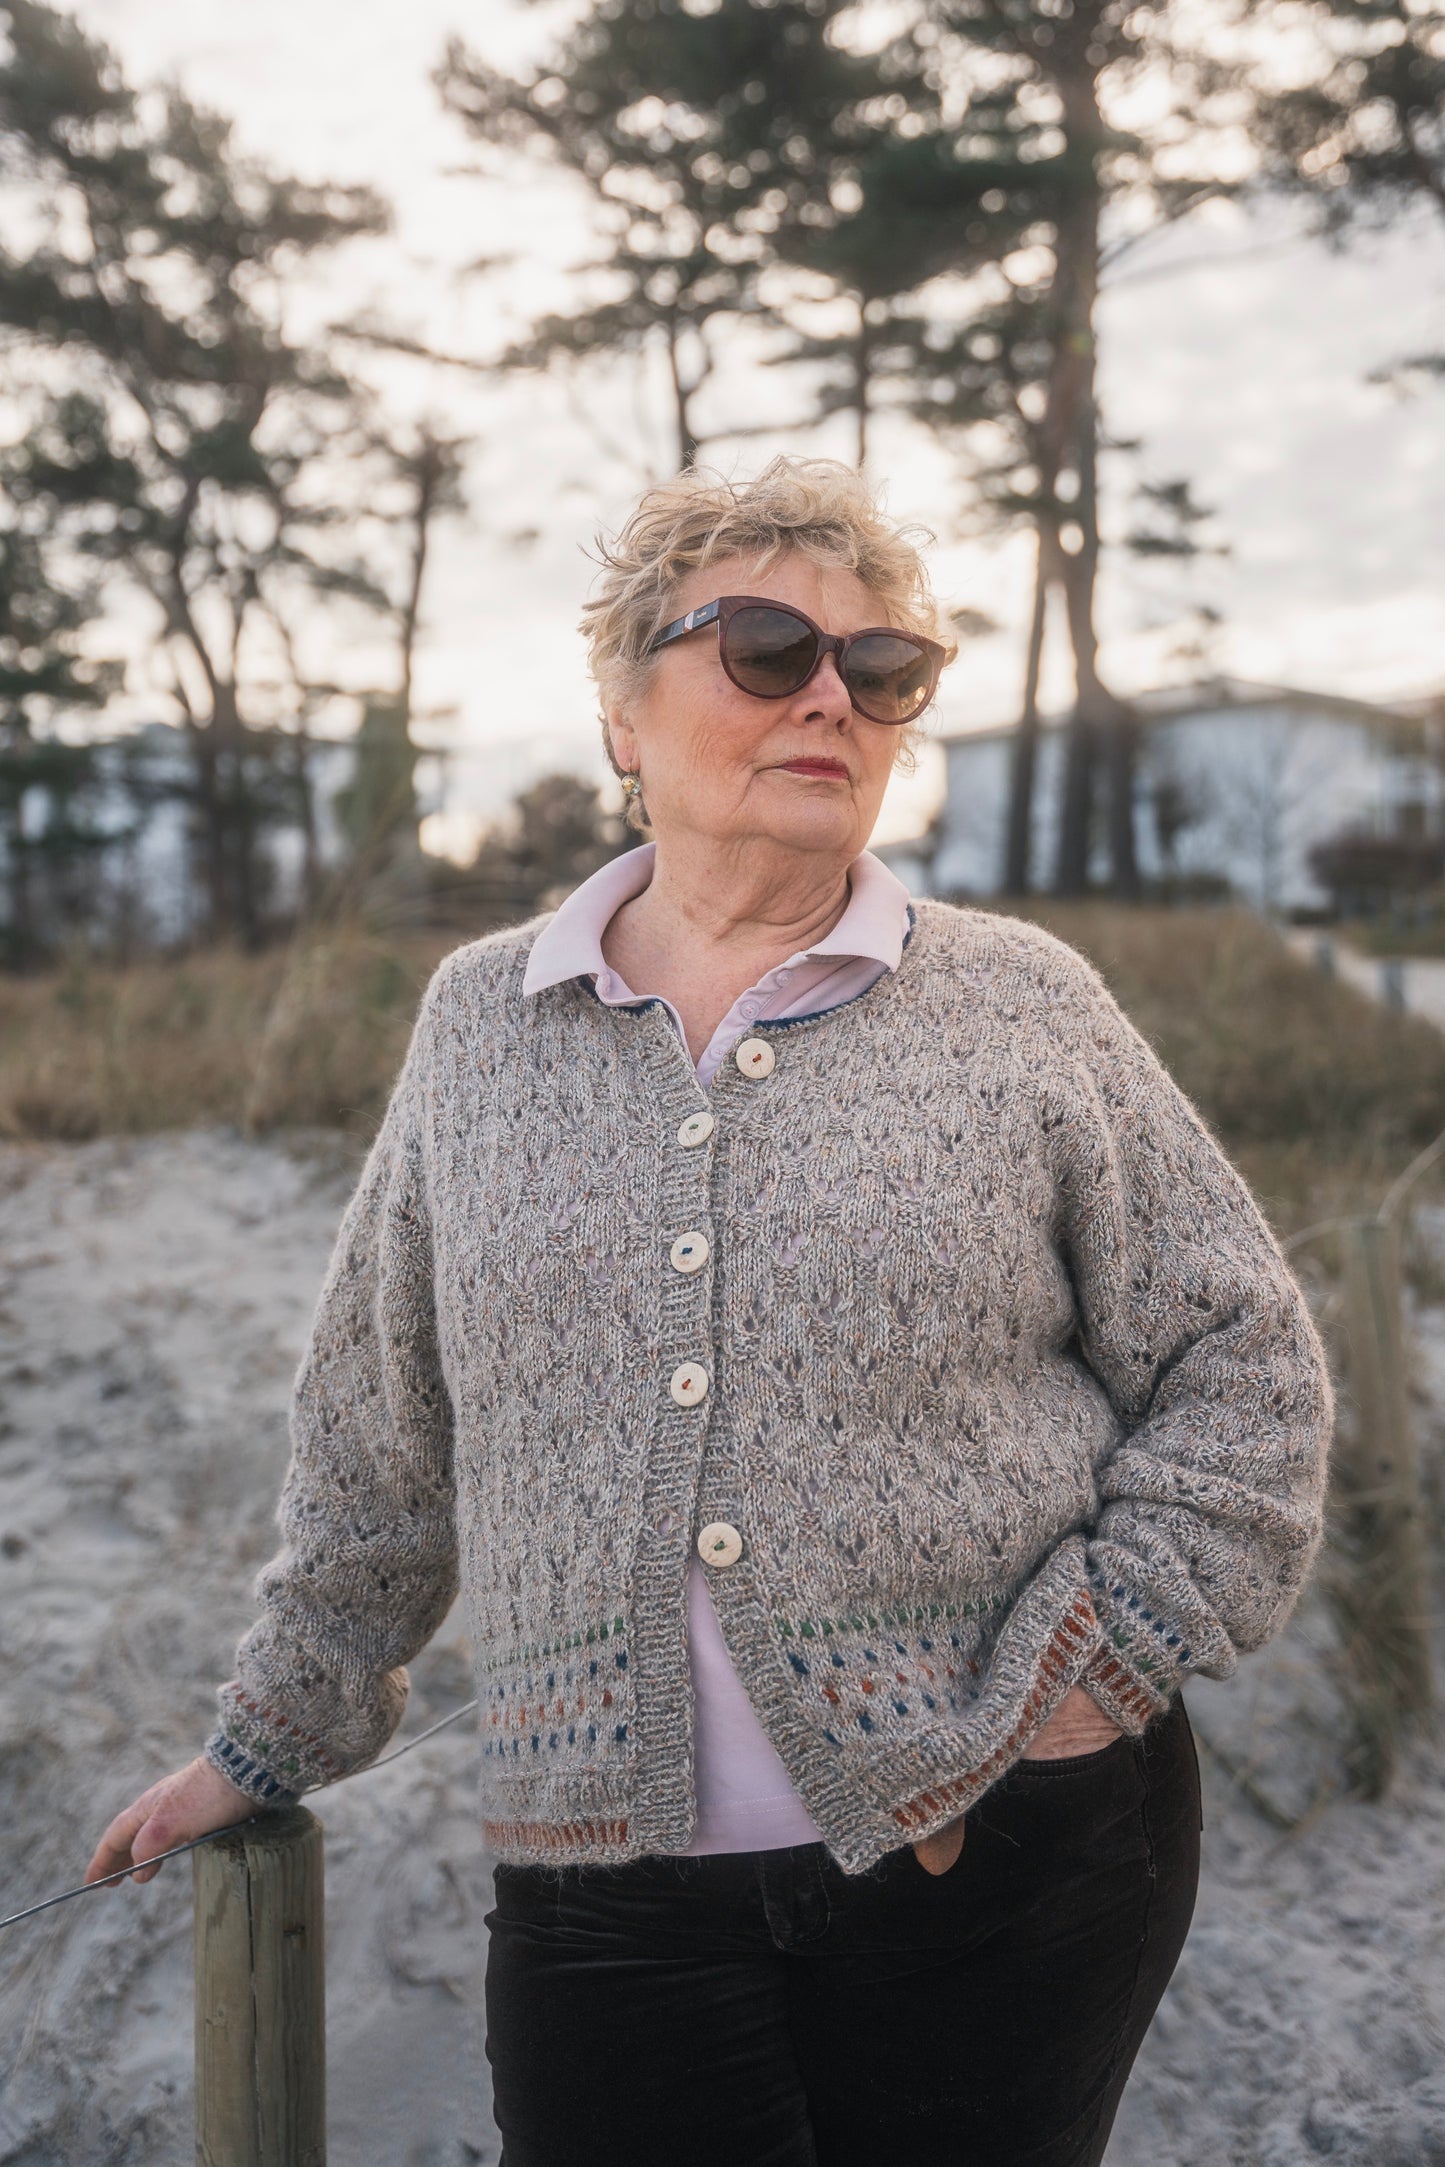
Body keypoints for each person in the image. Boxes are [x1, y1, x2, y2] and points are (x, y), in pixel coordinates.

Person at [87, 455, 1333, 2166]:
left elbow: (1241, 1366)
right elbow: (381, 1430)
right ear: (621, 709)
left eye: (880, 670)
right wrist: (274, 1728)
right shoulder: (482, 1027)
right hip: (602, 1880)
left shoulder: (1019, 1008)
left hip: (1017, 1844)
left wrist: (1088, 1670)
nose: (831, 695)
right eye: (763, 647)